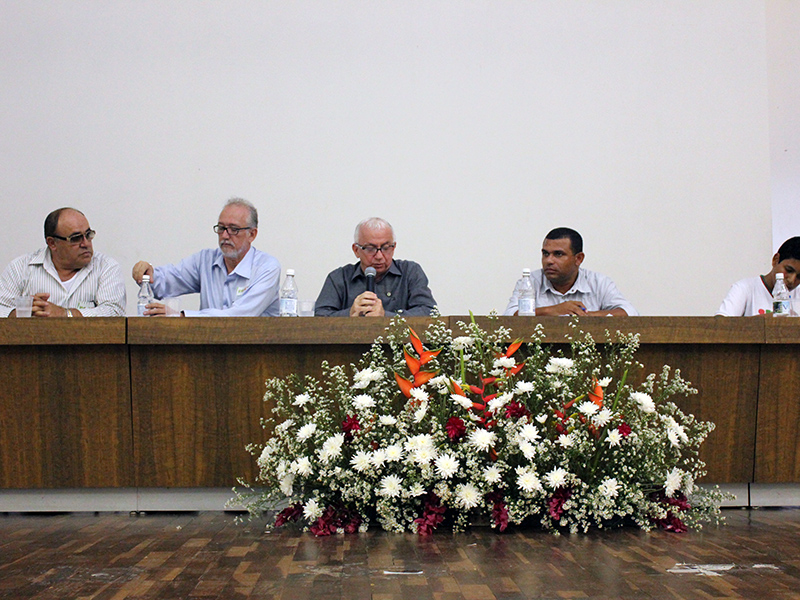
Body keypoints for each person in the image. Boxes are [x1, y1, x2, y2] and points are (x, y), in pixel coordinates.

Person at [131, 198, 281, 317]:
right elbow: (167, 282)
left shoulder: (267, 268)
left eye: (233, 229)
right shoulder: (205, 260)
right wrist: (147, 274)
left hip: (254, 346)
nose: (225, 235)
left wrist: (182, 316)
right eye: (221, 228)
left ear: (252, 234)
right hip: (209, 345)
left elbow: (238, 317)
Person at [0, 208, 126, 317]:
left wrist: (65, 314)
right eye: (76, 238)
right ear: (52, 243)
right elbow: (2, 308)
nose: (86, 243)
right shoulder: (20, 268)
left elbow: (114, 311)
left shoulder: (106, 267)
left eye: (88, 235)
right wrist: (23, 313)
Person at [315, 217, 437, 317]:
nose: (379, 256)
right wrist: (349, 314)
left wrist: (386, 316)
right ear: (356, 250)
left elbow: (429, 312)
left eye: (386, 248)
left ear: (394, 247)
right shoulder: (339, 278)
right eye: (370, 249)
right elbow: (320, 317)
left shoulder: (410, 272)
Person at [504, 227, 638, 316]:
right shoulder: (530, 282)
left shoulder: (599, 282)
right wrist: (552, 310)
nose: (549, 260)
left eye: (558, 254)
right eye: (545, 254)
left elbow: (630, 313)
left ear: (578, 259)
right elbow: (509, 316)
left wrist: (585, 316)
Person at [716, 236, 800, 316]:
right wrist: (769, 320)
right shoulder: (744, 288)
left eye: (799, 277)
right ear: (775, 260)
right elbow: (720, 322)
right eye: (789, 270)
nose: (792, 280)